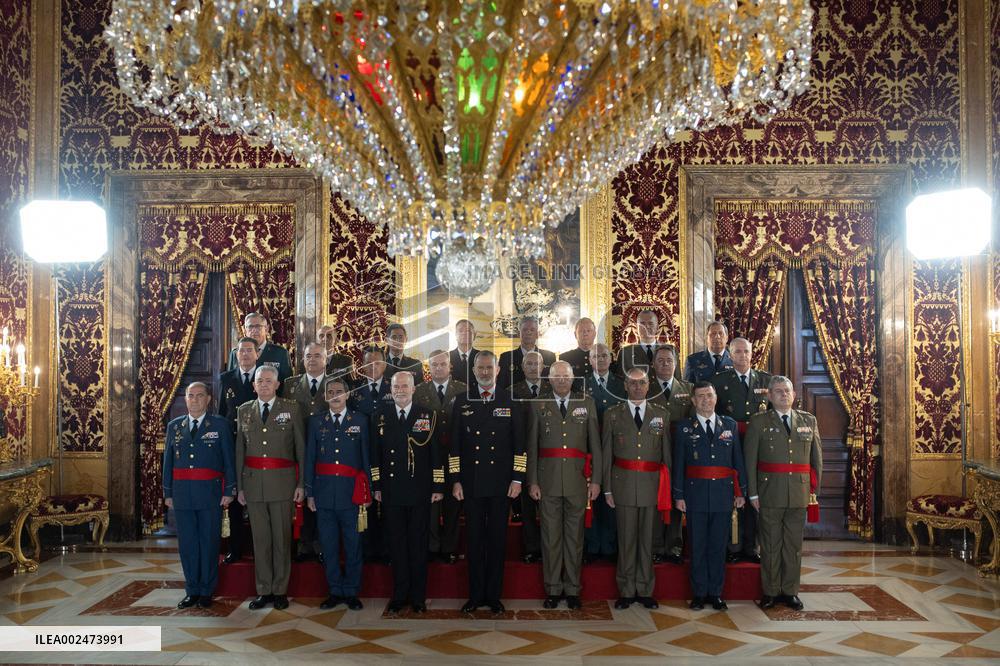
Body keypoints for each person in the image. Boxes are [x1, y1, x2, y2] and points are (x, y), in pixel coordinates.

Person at [449, 350, 526, 615]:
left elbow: (521, 446)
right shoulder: (462, 401)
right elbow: (454, 447)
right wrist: (456, 480)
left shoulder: (510, 400)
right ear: (473, 371)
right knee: (473, 541)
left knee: (496, 541)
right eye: (479, 368)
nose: (484, 372)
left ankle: (493, 596)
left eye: (488, 368)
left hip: (501, 484)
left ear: (497, 371)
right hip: (470, 484)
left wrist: (517, 478)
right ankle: (475, 595)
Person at [526, 361, 602, 610]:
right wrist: (533, 481)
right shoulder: (539, 405)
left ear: (572, 379)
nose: (561, 380)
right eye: (556, 376)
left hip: (578, 481)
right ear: (549, 379)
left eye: (565, 377)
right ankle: (553, 589)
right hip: (547, 481)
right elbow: (532, 447)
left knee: (574, 538)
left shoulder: (586, 402)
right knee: (550, 538)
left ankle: (572, 589)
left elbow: (596, 448)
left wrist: (597, 481)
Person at [745, 376, 823, 612]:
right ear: (769, 396)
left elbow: (816, 460)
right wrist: (753, 494)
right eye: (778, 391)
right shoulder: (758, 422)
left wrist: (813, 492)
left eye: (787, 391)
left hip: (799, 493)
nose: (783, 395)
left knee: (793, 545)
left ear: (794, 395)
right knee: (769, 544)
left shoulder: (808, 420)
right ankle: (770, 592)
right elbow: (750, 461)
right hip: (769, 492)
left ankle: (790, 591)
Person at [372, 372, 443, 614]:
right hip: (391, 492)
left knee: (418, 545)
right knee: (397, 545)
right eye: (396, 386)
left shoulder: (427, 414)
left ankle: (418, 597)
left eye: (405, 386)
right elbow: (375, 456)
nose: (400, 390)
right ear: (390, 390)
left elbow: (436, 454)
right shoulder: (381, 416)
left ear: (414, 389)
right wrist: (377, 486)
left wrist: (438, 486)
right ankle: (400, 594)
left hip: (420, 491)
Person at [235, 365, 305, 611]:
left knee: (281, 540)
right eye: (259, 381)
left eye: (268, 381)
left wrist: (301, 483)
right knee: (261, 540)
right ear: (253, 385)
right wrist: (240, 487)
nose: (263, 384)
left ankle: (280, 591)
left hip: (283, 484)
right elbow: (239, 452)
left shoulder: (291, 409)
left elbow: (301, 450)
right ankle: (263, 590)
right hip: (253, 485)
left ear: (277, 385)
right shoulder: (243, 411)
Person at [672, 381, 747, 612]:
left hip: (723, 495)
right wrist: (678, 495)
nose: (706, 400)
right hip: (694, 495)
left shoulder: (729, 425)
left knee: (717, 546)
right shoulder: (684, 427)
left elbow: (738, 461)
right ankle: (699, 593)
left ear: (716, 398)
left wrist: (741, 491)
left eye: (710, 395)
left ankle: (715, 593)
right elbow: (678, 465)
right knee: (697, 546)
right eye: (701, 396)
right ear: (693, 401)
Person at [603, 368, 671, 610]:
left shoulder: (661, 414)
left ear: (648, 384)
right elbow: (606, 454)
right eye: (633, 384)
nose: (637, 387)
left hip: (652, 486)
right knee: (627, 539)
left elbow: (667, 456)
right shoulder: (613, 415)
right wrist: (608, 489)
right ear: (625, 386)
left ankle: (644, 589)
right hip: (622, 485)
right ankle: (626, 589)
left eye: (642, 383)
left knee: (647, 540)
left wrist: (668, 488)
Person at [163, 382, 235, 609]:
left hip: (210, 494)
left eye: (199, 396)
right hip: (183, 495)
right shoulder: (174, 426)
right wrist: (167, 492)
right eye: (190, 396)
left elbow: (229, 461)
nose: (194, 400)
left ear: (208, 399)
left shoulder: (220, 425)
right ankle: (192, 589)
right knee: (187, 545)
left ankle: (207, 590)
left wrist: (229, 490)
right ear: (185, 400)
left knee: (209, 543)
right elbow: (168, 462)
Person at [304, 378, 370, 611]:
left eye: (339, 392)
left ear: (348, 394)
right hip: (323, 494)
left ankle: (351, 591)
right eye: (330, 392)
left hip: (351, 495)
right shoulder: (315, 422)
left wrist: (367, 492)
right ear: (325, 396)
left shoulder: (360, 421)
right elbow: (310, 458)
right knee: (329, 546)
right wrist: (310, 493)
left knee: (353, 545)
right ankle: (334, 590)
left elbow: (366, 460)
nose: (334, 395)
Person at [711, 337, 771, 563]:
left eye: (746, 351)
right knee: (732, 494)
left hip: (758, 446)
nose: (742, 356)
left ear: (752, 353)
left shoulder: (766, 379)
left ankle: (751, 546)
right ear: (730, 354)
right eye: (737, 352)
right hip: (730, 444)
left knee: (753, 494)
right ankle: (732, 546)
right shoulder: (719, 381)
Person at [413, 350, 467, 564]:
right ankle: (432, 546)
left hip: (455, 455)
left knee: (453, 503)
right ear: (429, 367)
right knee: (432, 503)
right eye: (434, 365)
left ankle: (449, 548)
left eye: (442, 364)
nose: (438, 368)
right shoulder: (419, 391)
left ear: (450, 366)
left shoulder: (463, 389)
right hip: (429, 456)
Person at [283, 342, 332, 563]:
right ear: (302, 360)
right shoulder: (290, 385)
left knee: (320, 498)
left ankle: (321, 545)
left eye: (317, 356)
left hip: (327, 451)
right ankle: (303, 544)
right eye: (308, 356)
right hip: (298, 450)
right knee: (300, 499)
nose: (312, 360)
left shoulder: (336, 384)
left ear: (326, 359)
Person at [646, 346, 693, 564]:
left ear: (676, 364)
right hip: (653, 452)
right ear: (653, 365)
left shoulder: (688, 389)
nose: (665, 364)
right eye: (661, 360)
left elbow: (692, 424)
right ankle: (656, 546)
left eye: (669, 360)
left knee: (676, 497)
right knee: (655, 498)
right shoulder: (646, 387)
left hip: (679, 454)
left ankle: (674, 546)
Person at [217, 336, 258, 564]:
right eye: (241, 351)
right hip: (233, 445)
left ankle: (258, 547)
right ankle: (235, 548)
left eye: (249, 350)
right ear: (236, 354)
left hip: (257, 445)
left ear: (257, 354)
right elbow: (222, 413)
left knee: (256, 498)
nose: (244, 354)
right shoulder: (226, 378)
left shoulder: (265, 378)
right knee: (233, 499)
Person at [351, 346, 393, 564]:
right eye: (368, 363)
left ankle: (386, 549)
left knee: (386, 503)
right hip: (363, 455)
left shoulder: (393, 388)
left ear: (385, 364)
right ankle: (368, 549)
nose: (373, 367)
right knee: (365, 502)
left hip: (388, 455)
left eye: (377, 362)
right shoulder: (355, 392)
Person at [584, 343, 624, 562]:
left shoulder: (621, 386)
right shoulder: (581, 386)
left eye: (604, 356)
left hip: (615, 449)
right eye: (595, 356)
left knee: (610, 496)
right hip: (588, 448)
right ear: (589, 360)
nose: (599, 360)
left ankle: (608, 546)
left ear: (611, 359)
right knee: (590, 497)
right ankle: (591, 545)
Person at [509, 350, 549, 563]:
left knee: (548, 505)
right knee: (526, 504)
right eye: (529, 364)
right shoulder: (512, 391)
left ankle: (549, 546)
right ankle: (531, 547)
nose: (533, 367)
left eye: (537, 363)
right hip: (523, 454)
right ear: (523, 368)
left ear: (543, 367)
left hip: (549, 455)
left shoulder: (555, 389)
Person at [228, 312, 293, 383]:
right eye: (250, 327)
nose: (254, 330)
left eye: (258, 326)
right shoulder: (236, 353)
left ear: (266, 329)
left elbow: (287, 384)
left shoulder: (280, 353)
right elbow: (230, 380)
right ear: (245, 330)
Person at [497, 316, 556, 389]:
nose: (528, 332)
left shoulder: (549, 357)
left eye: (532, 330)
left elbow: (554, 384)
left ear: (537, 334)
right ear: (519, 334)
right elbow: (501, 385)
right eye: (525, 330)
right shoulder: (506, 357)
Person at [558, 317, 598, 391]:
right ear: (575, 335)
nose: (585, 333)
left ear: (594, 334)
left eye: (589, 331)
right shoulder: (565, 358)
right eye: (581, 331)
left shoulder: (605, 357)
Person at [619, 309, 662, 376]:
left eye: (650, 323)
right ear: (636, 327)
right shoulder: (625, 353)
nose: (646, 326)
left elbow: (677, 382)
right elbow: (621, 381)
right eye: (642, 323)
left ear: (657, 327)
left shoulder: (670, 351)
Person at [449, 319, 480, 384]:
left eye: (468, 331)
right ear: (455, 335)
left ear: (474, 335)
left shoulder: (482, 356)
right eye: (460, 331)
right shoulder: (446, 357)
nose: (464, 333)